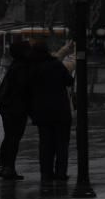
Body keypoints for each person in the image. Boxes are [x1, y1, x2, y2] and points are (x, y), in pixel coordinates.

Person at [28, 40, 75, 183]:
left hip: (42, 112)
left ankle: (46, 173)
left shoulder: (33, 68)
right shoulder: (56, 65)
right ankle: (61, 173)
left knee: (45, 144)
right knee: (61, 144)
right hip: (61, 111)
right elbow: (69, 81)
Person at [0, 40, 32, 180]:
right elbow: (23, 89)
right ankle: (9, 168)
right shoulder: (23, 67)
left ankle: (2, 166)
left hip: (7, 108)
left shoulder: (14, 65)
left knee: (8, 137)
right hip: (16, 109)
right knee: (14, 138)